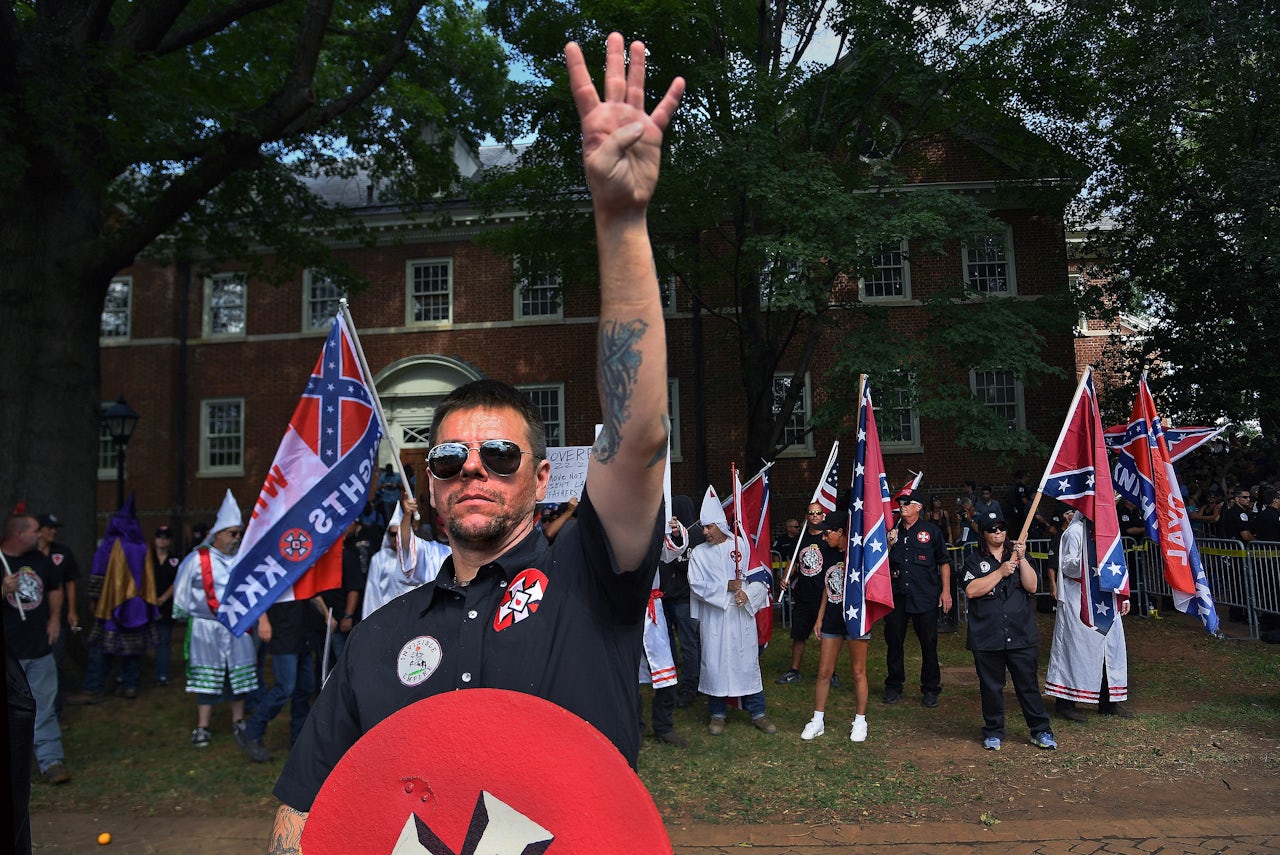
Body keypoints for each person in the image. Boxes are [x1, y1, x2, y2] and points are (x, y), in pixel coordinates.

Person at [271, 34, 683, 846]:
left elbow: (638, 436)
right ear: (429, 482)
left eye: (500, 456)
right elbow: (301, 816)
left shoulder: (590, 584)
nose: (473, 471)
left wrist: (620, 220)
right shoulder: (377, 639)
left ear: (541, 476)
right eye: (450, 458)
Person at [961, 509, 1057, 751]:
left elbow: (1032, 586)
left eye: (1002, 527)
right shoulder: (973, 560)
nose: (998, 532)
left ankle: (1040, 730)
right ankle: (994, 730)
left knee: (1028, 686)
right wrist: (1000, 572)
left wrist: (1021, 559)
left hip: (1020, 634)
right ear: (983, 533)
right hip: (987, 636)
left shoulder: (1018, 554)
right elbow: (971, 590)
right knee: (991, 687)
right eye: (992, 529)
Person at [172, 490, 258, 748]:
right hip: (206, 628)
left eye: (240, 533)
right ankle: (203, 726)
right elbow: (182, 588)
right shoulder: (197, 559)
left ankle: (238, 720)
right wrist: (182, 613)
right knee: (207, 677)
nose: (237, 538)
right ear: (218, 534)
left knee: (238, 674)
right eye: (233, 533)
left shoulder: (243, 558)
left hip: (237, 625)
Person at [688, 487, 776, 735]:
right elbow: (695, 584)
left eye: (709, 527)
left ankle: (758, 713)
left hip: (740, 617)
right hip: (715, 618)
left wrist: (747, 594)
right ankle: (717, 714)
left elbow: (759, 579)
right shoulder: (699, 554)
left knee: (746, 664)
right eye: (704, 527)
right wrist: (724, 587)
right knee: (715, 665)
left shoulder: (742, 546)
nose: (705, 532)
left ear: (719, 525)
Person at [1044, 506, 1131, 722]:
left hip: (1106, 598)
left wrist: (1123, 595)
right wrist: (1088, 558)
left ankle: (1108, 701)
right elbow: (1067, 566)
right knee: (1076, 648)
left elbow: (1117, 565)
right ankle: (1065, 702)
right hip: (1078, 596)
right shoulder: (1074, 532)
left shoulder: (1109, 533)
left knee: (1109, 649)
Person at [2, 513, 70, 784]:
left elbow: (54, 588)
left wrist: (55, 618)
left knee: (44, 707)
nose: (40, 534)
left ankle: (51, 761)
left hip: (39, 650)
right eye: (35, 531)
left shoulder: (40, 560)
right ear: (19, 534)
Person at [76, 500, 160, 702]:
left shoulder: (109, 546)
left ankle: (93, 687)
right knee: (133, 649)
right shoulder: (142, 546)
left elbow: (98, 573)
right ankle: (130, 685)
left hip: (113, 604)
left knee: (101, 648)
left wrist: (94, 598)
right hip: (138, 607)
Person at [799, 516, 871, 743]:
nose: (823, 537)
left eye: (827, 532)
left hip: (855, 618)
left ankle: (860, 720)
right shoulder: (828, 553)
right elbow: (826, 587)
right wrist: (820, 617)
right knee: (824, 672)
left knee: (858, 671)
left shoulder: (857, 554)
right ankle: (817, 719)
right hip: (831, 617)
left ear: (840, 531)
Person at [883, 487, 951, 707]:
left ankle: (930, 688)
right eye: (901, 503)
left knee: (929, 644)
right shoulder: (891, 531)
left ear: (918, 507)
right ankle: (894, 685)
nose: (902, 506)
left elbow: (943, 562)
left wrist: (946, 591)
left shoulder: (931, 531)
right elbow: (879, 563)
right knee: (894, 642)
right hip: (897, 596)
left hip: (925, 595)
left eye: (907, 503)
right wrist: (888, 544)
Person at [239, 596, 327, 763]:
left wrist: (326, 614)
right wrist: (263, 620)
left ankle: (299, 739)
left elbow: (311, 590)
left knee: (305, 687)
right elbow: (260, 591)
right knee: (285, 688)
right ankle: (252, 731)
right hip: (283, 632)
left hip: (303, 633)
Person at [775, 502, 833, 684]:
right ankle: (794, 670)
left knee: (828, 636)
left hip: (824, 595)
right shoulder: (800, 538)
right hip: (804, 594)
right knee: (799, 634)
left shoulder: (827, 537)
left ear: (822, 515)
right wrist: (785, 578)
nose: (815, 515)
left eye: (818, 513)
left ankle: (831, 672)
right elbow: (793, 562)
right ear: (807, 516)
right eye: (811, 513)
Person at [360, 504, 448, 619]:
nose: (397, 538)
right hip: (387, 617)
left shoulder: (423, 554)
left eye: (399, 534)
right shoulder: (379, 558)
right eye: (393, 534)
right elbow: (372, 594)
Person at [659, 494, 702, 708]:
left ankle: (690, 687)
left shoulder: (695, 535)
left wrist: (677, 545)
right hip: (664, 596)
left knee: (688, 643)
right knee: (667, 644)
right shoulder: (664, 533)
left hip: (686, 598)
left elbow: (689, 565)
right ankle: (671, 684)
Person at [34, 513, 78, 719]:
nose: (53, 532)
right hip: (33, 617)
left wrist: (72, 610)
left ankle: (55, 709)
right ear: (39, 530)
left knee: (56, 660)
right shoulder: (28, 553)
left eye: (55, 528)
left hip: (57, 616)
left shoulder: (62, 552)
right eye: (49, 528)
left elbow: (70, 581)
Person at [149, 526, 182, 686]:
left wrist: (163, 598)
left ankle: (161, 674)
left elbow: (178, 582)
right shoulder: (147, 559)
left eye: (166, 537)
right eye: (159, 537)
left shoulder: (175, 560)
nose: (162, 540)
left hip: (166, 606)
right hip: (146, 605)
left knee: (164, 639)